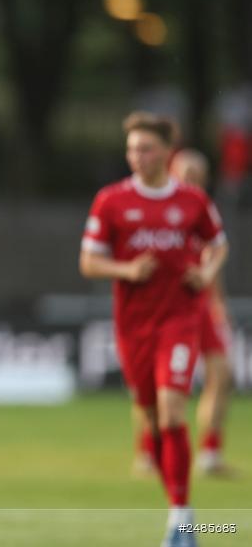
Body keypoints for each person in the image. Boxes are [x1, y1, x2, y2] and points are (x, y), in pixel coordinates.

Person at [80, 112, 228, 547]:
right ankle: (181, 511)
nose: (136, 157)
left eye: (145, 148)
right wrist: (126, 268)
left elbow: (219, 244)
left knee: (171, 411)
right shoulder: (110, 200)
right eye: (131, 149)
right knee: (151, 417)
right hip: (133, 326)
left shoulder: (192, 200)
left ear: (167, 151)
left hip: (180, 320)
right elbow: (88, 262)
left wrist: (205, 272)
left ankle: (179, 519)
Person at [132, 150, 236, 478]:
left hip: (200, 304)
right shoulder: (157, 209)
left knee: (223, 373)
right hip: (165, 306)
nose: (191, 179)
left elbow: (212, 258)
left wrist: (219, 304)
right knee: (153, 383)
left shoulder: (202, 210)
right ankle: (149, 451)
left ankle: (209, 452)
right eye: (185, 172)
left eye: (197, 174)